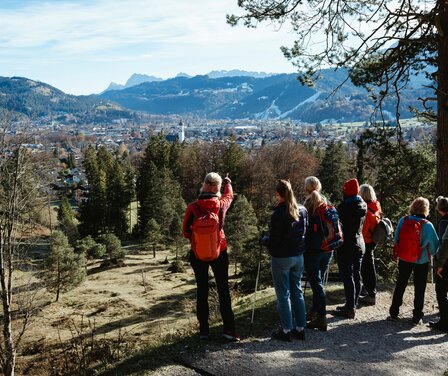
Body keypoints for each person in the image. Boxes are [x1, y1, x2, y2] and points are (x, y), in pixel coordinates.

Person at [182, 172, 239, 341]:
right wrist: (228, 182)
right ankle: (228, 329)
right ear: (218, 187)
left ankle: (204, 331)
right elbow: (229, 196)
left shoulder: (193, 207)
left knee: (202, 290)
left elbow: (185, 232)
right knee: (223, 290)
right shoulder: (221, 204)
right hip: (219, 251)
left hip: (198, 253)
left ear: (204, 185)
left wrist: (198, 238)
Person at [262, 179, 308, 341]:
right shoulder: (302, 210)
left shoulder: (278, 214)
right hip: (298, 256)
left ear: (277, 194)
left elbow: (275, 240)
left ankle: (286, 330)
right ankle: (301, 328)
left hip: (282, 258)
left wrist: (264, 240)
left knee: (283, 295)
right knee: (297, 291)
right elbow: (305, 231)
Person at [388, 197, 439, 325]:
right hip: (421, 260)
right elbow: (434, 246)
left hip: (405, 257)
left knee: (401, 283)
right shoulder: (427, 225)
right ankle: (417, 317)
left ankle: (394, 312)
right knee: (420, 287)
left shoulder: (403, 220)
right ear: (425, 209)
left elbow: (396, 239)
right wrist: (430, 254)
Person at [334, 178, 367, 319]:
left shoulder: (344, 207)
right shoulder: (363, 204)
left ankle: (350, 308)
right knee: (356, 274)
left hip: (347, 245)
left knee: (347, 276)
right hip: (360, 243)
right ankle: (352, 304)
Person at [303, 190, 333, 331]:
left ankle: (321, 317)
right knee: (318, 281)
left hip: (313, 252)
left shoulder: (309, 214)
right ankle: (315, 311)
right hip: (328, 250)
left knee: (316, 283)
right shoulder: (327, 209)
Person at [359, 184, 382, 306]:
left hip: (367, 241)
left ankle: (371, 293)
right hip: (373, 240)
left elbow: (363, 230)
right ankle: (369, 291)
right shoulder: (376, 206)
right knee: (368, 266)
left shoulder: (367, 210)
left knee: (366, 267)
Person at [429, 196, 448, 332]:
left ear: (439, 208)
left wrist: (439, 264)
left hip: (446, 262)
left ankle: (444, 322)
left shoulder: (443, 222)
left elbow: (444, 243)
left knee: (441, 291)